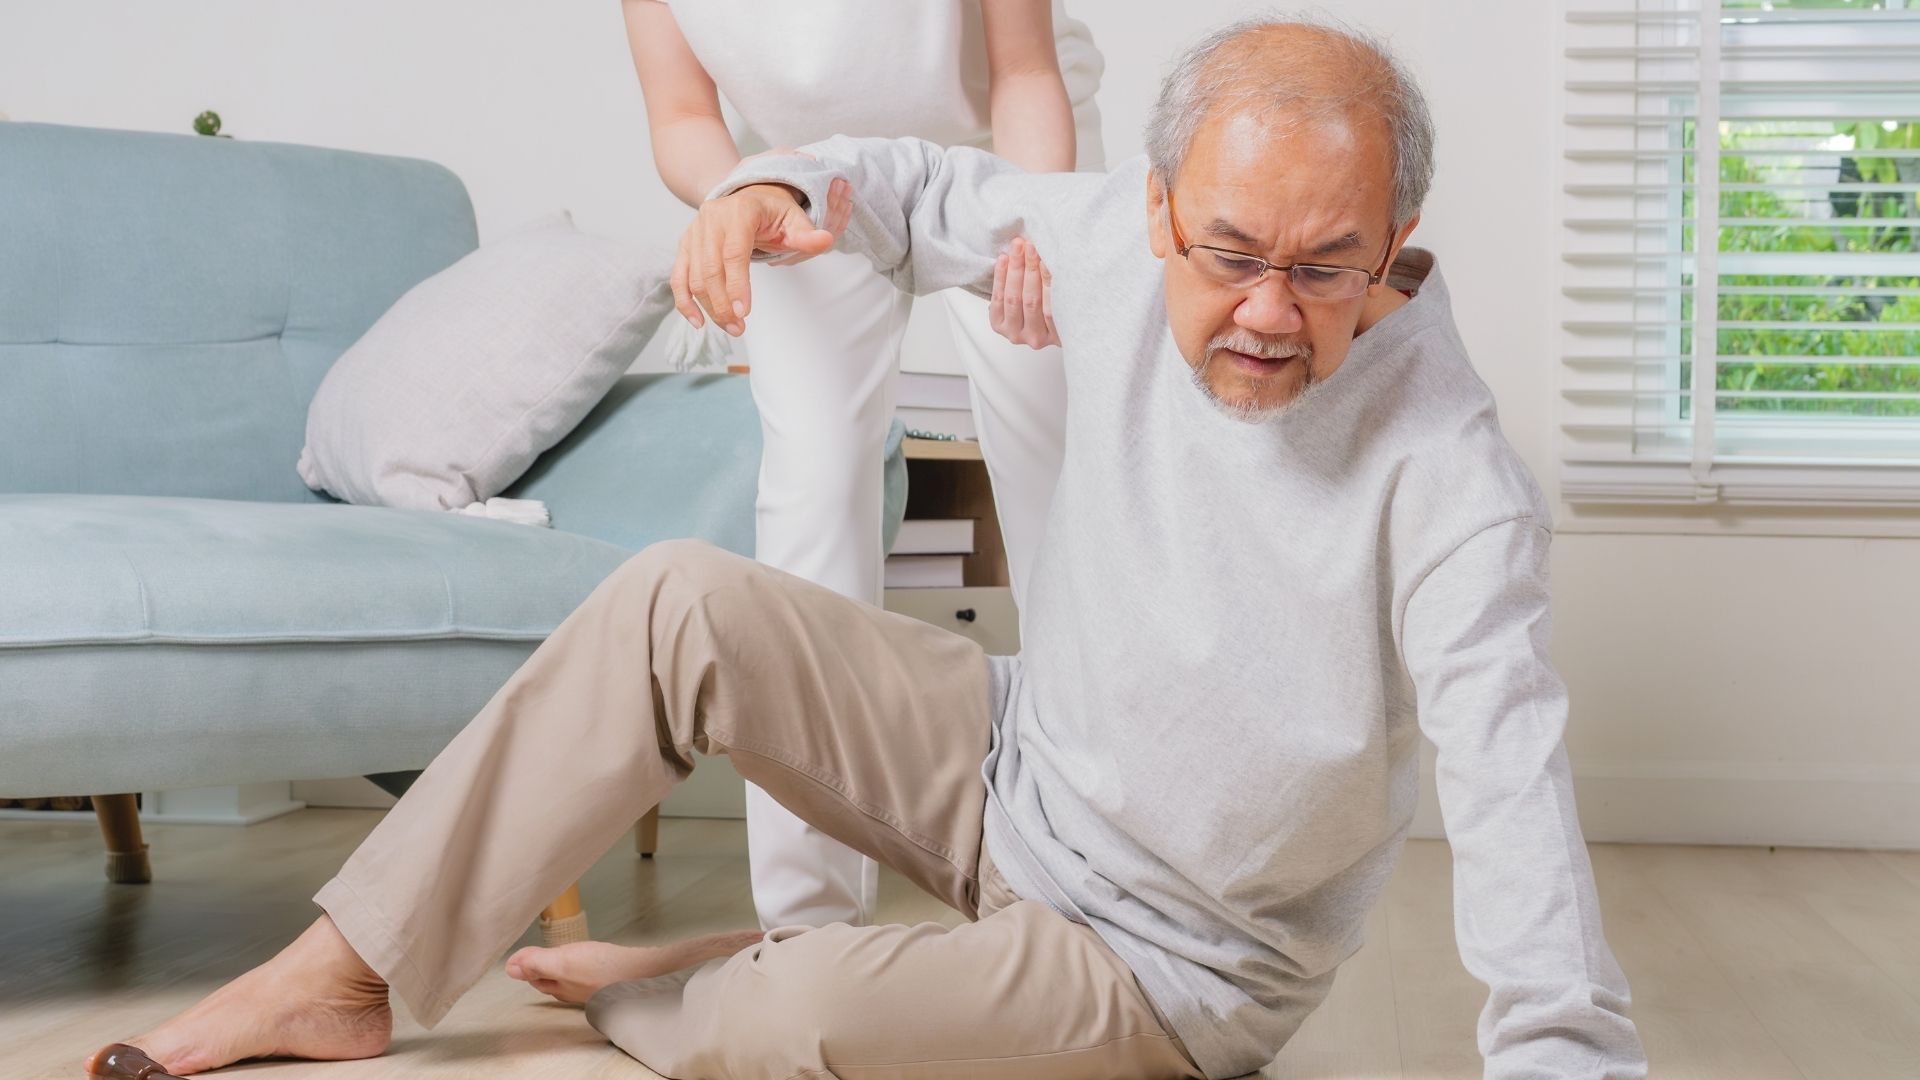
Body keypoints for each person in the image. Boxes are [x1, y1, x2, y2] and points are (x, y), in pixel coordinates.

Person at [90, 16, 1649, 1080]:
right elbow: (918, 186)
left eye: (1326, 269)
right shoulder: (1116, 233)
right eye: (1230, 252)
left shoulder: (1451, 478)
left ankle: (683, 990)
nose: (1266, 310)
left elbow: (1513, 787)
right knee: (678, 602)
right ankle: (347, 971)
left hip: (1170, 965)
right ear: (1161, 207)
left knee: (798, 1016)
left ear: (1397, 243)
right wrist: (768, 188)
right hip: (1019, 772)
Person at [623, 0, 1105, 934]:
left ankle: (1092, 884)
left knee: (1061, 491)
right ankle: (806, 924)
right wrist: (739, 198)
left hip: (1006, 158)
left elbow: (1025, 72)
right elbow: (681, 114)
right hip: (797, 181)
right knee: (811, 505)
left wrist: (1043, 227)